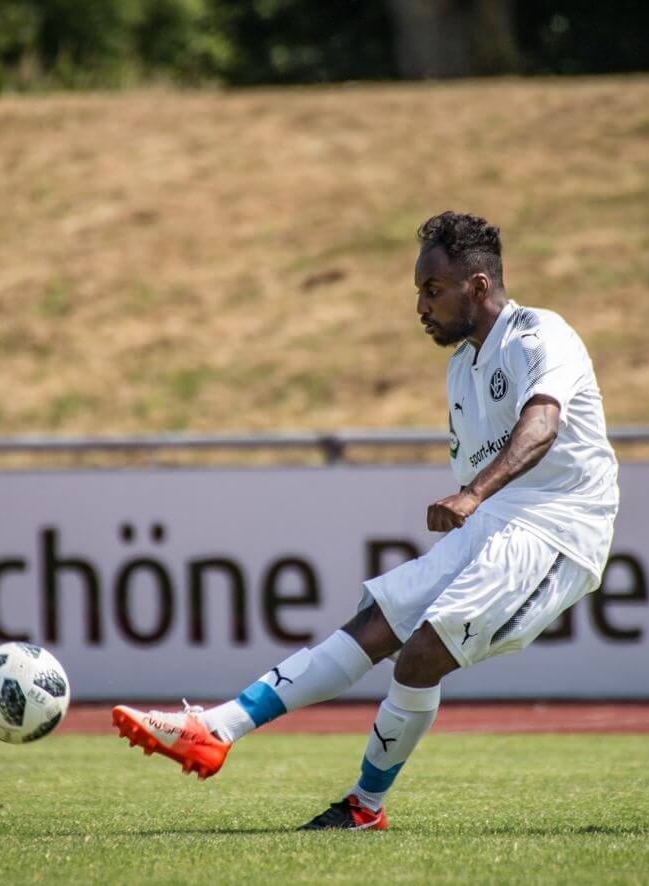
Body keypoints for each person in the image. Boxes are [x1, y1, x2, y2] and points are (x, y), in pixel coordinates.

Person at [112, 211, 620, 829]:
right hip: (499, 520)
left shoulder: (540, 334)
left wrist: (471, 494)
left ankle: (364, 806)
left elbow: (542, 425)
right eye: (418, 293)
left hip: (558, 527)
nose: (420, 307)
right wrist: (477, 501)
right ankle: (215, 728)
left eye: (431, 291)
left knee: (421, 654)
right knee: (375, 627)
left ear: (478, 287)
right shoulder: (462, 369)